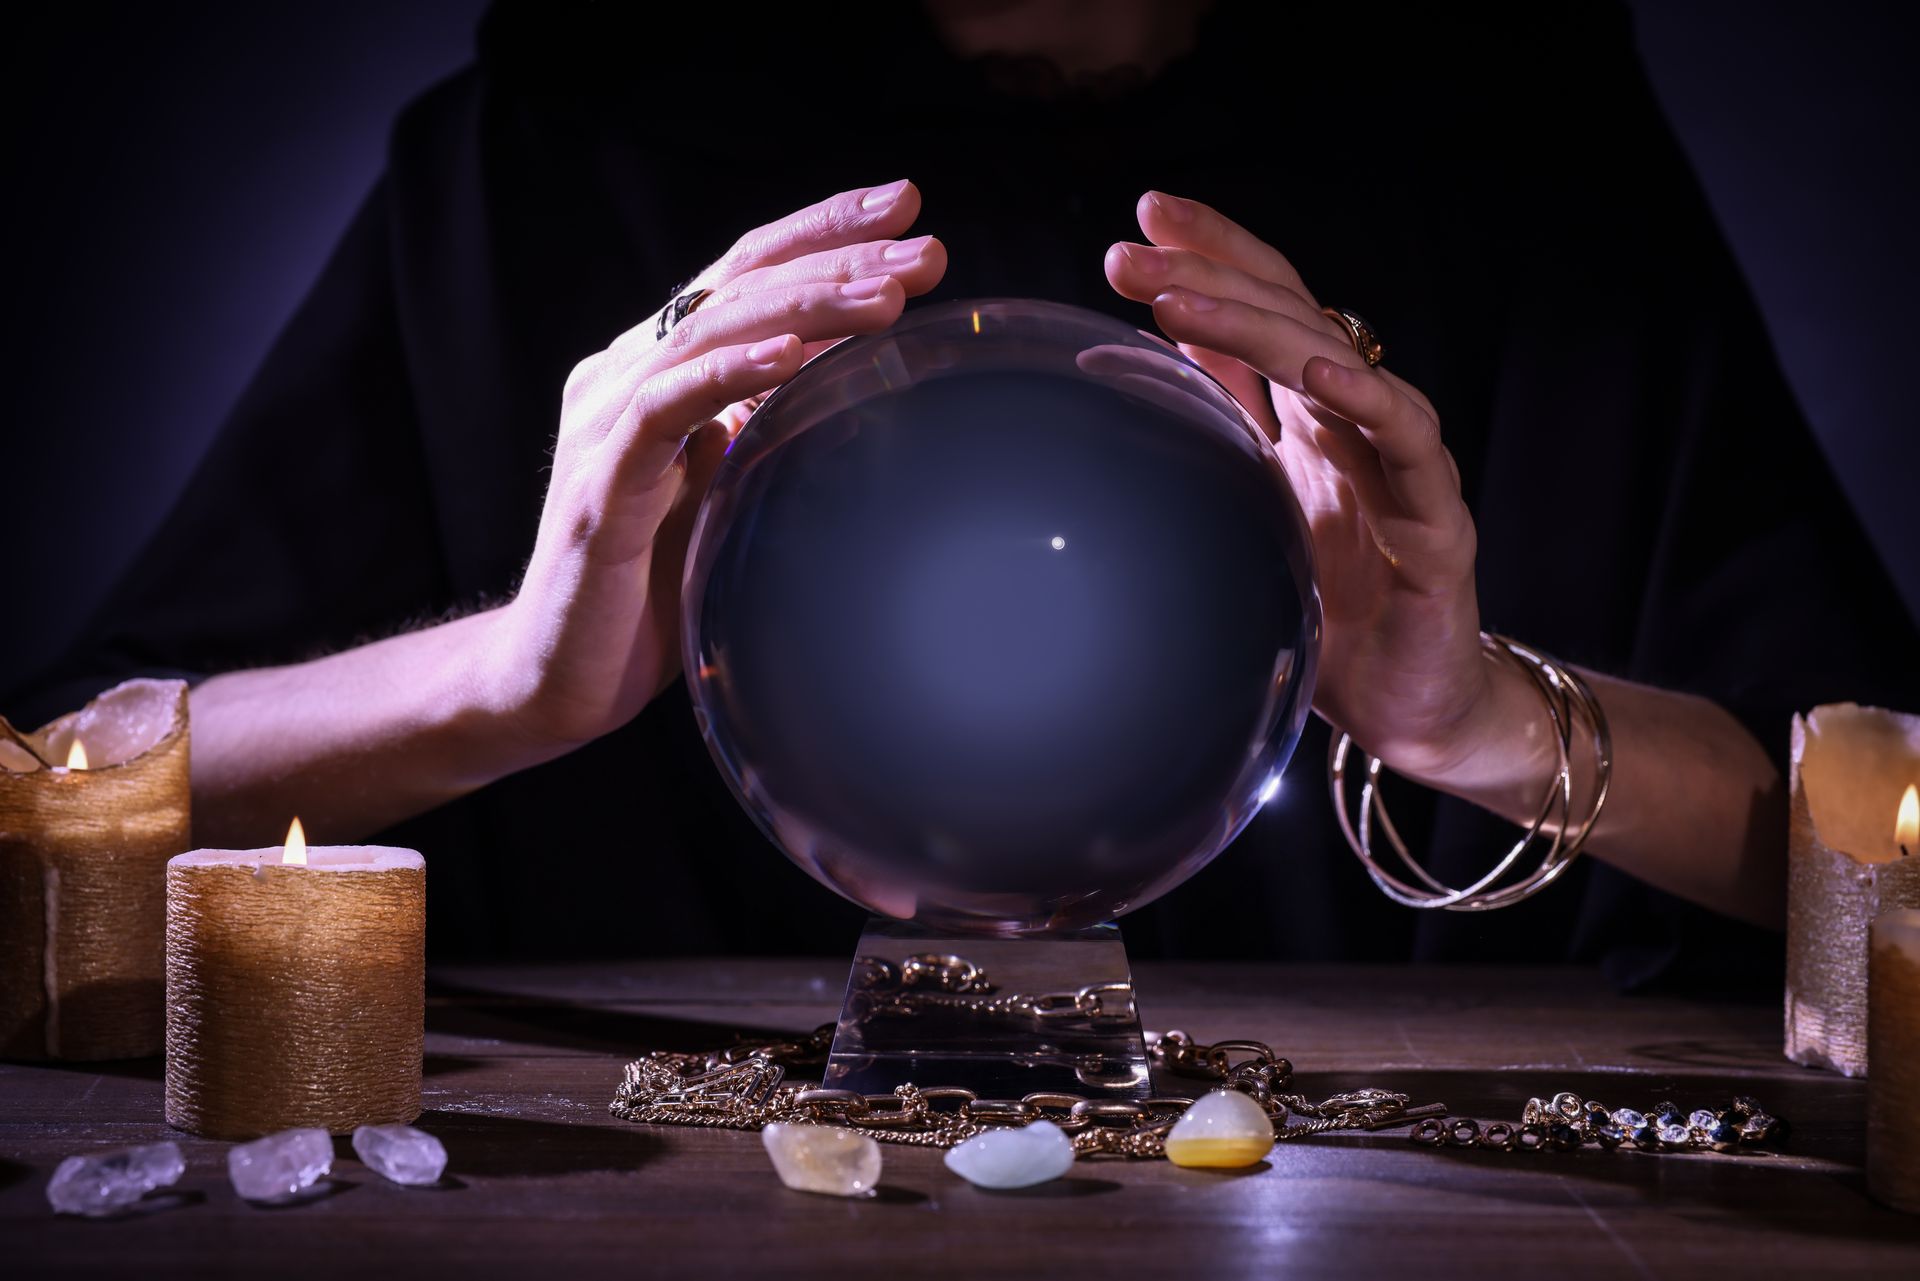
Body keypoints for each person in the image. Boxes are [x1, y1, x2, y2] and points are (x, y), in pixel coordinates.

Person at [18, 1, 1917, 982]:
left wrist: (1479, 716)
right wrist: (509, 679)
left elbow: (1881, 864)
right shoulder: (547, 164)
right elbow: (40, 825)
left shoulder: (1521, 165)